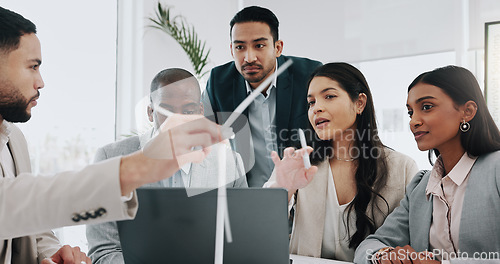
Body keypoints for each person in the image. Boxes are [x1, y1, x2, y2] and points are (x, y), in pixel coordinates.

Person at [0, 5, 225, 257]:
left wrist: (50, 253)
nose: (40, 81)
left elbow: (29, 222)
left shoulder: (14, 140)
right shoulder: (114, 153)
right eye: (32, 66)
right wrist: (138, 167)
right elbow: (10, 203)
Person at [86, 68, 248, 263]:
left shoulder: (230, 163)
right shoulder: (110, 158)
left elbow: (241, 243)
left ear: (199, 112)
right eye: (166, 111)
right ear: (150, 112)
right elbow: (104, 251)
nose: (177, 121)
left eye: (188, 111)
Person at [265, 63, 418, 262]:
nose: (316, 108)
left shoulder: (403, 168)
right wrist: (283, 189)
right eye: (311, 102)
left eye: (329, 96)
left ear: (359, 103)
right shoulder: (300, 164)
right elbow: (259, 231)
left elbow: (413, 241)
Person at [354, 66, 500, 264]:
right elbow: (371, 245)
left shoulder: (496, 169)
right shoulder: (420, 186)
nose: (413, 121)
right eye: (410, 112)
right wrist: (384, 256)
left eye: (427, 107)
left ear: (468, 111)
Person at [202, 6, 322, 187]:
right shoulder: (219, 82)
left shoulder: (309, 75)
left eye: (259, 45)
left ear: (278, 47)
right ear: (231, 50)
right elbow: (204, 142)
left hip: (305, 189)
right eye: (240, 47)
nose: (249, 57)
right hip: (250, 196)